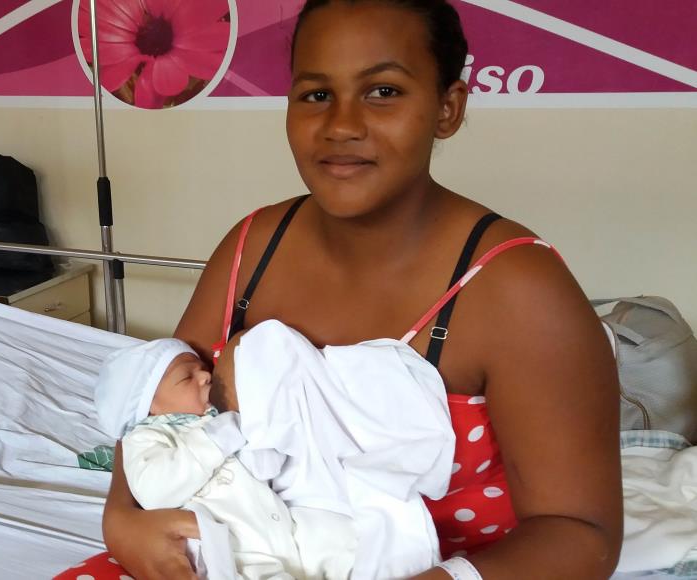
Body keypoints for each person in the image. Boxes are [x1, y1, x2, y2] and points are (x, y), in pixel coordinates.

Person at [102, 0, 624, 579]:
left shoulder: (517, 287)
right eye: (317, 94)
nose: (341, 125)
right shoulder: (251, 248)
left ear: (447, 108)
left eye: (383, 91)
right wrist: (121, 519)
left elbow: (580, 534)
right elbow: (154, 405)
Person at [93, 337, 305, 579]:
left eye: (203, 369)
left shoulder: (219, 421)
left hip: (279, 530)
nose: (205, 376)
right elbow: (154, 491)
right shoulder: (144, 438)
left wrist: (261, 445)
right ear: (150, 404)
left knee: (330, 539)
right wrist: (212, 441)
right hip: (233, 552)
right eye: (187, 377)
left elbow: (264, 469)